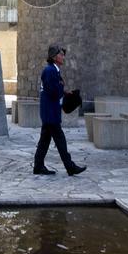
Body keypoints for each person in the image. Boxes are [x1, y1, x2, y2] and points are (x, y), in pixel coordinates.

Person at [33, 45, 86, 177]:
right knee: (60, 141)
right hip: (50, 113)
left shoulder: (53, 70)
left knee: (44, 141)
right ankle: (70, 167)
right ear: (54, 57)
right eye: (61, 54)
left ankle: (38, 166)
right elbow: (53, 92)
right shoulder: (50, 71)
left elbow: (54, 90)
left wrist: (64, 91)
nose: (63, 57)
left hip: (49, 113)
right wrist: (62, 88)